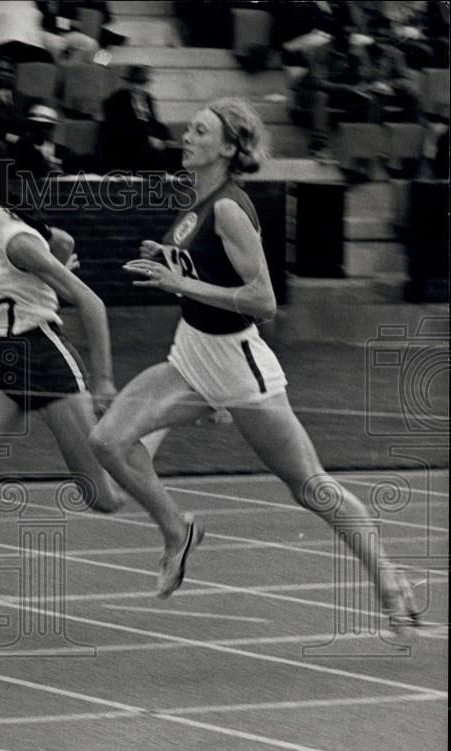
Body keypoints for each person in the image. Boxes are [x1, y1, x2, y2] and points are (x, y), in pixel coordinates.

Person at [87, 98, 421, 629]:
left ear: (227, 147)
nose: (187, 136)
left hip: (238, 364)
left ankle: (389, 579)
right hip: (191, 352)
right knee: (107, 441)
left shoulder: (228, 206)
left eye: (200, 131)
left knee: (310, 486)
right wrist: (170, 259)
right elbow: (207, 271)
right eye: (190, 128)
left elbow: (263, 300)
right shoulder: (196, 204)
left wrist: (180, 281)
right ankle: (177, 530)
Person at [0, 133, 125, 595]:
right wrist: (51, 268)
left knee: (104, 497)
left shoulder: (13, 239)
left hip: (44, 358)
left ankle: (144, 431)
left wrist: (105, 379)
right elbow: (63, 239)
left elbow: (90, 302)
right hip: (2, 362)